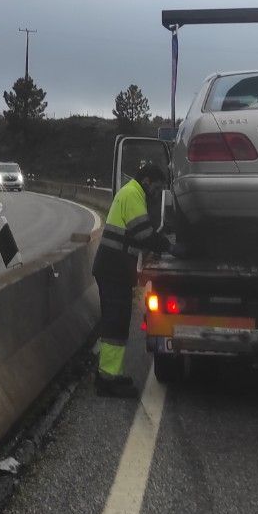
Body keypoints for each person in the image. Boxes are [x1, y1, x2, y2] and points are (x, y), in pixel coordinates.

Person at [93, 161, 171, 398]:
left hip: (114, 270)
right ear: (147, 181)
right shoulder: (134, 195)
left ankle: (107, 374)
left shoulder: (131, 192)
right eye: (156, 188)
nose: (157, 193)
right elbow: (144, 233)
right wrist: (170, 247)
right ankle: (108, 380)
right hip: (113, 270)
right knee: (115, 325)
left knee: (115, 322)